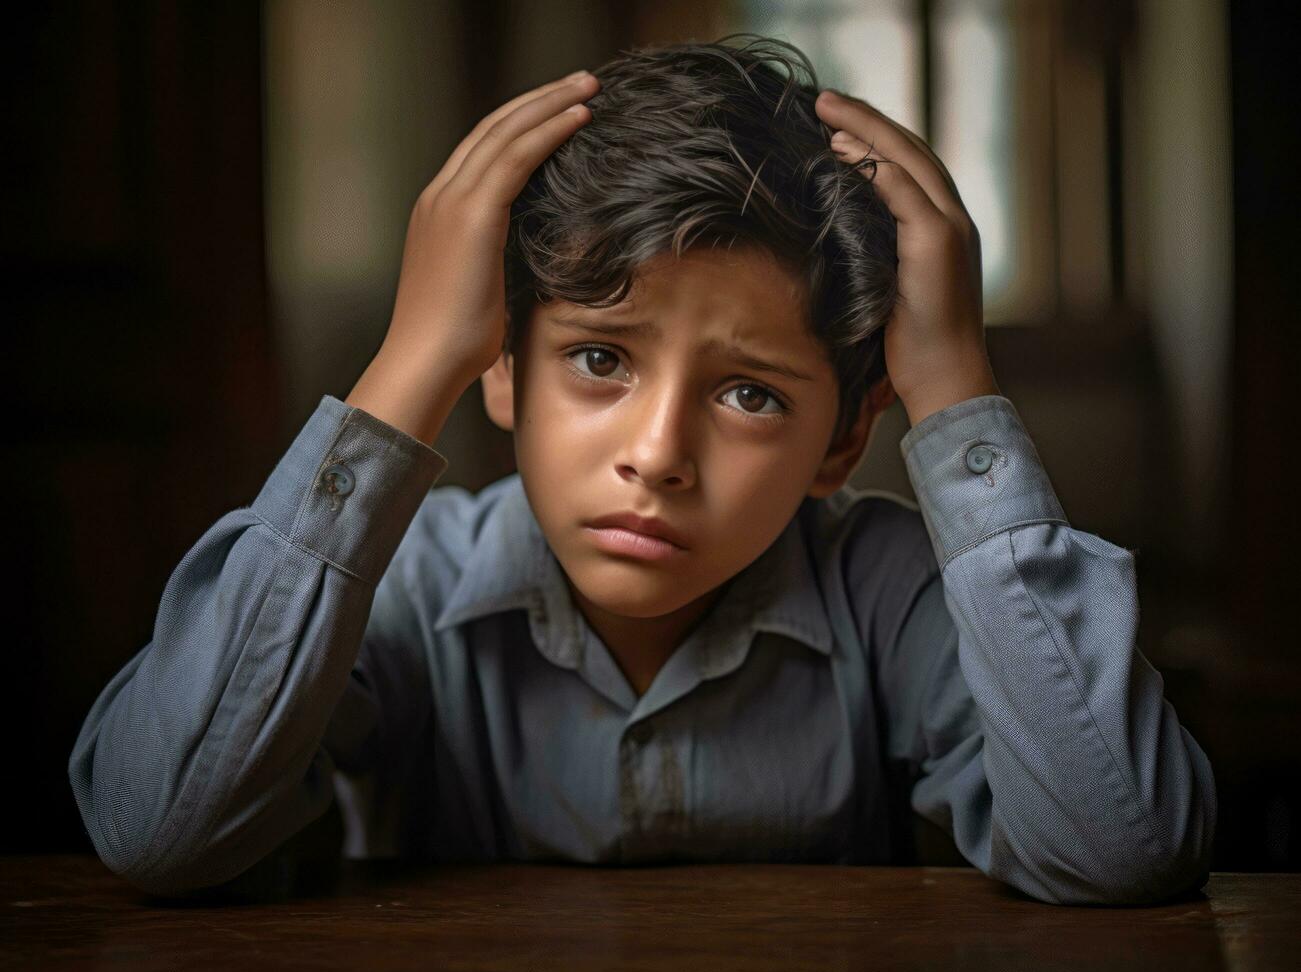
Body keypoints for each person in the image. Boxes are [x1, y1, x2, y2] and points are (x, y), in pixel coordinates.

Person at [68, 34, 1216, 905]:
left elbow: (1120, 844)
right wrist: (410, 362)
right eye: (598, 358)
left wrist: (955, 384)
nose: (657, 455)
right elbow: (156, 823)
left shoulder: (884, 589)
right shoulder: (409, 587)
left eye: (748, 393)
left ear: (839, 441)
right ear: (503, 373)